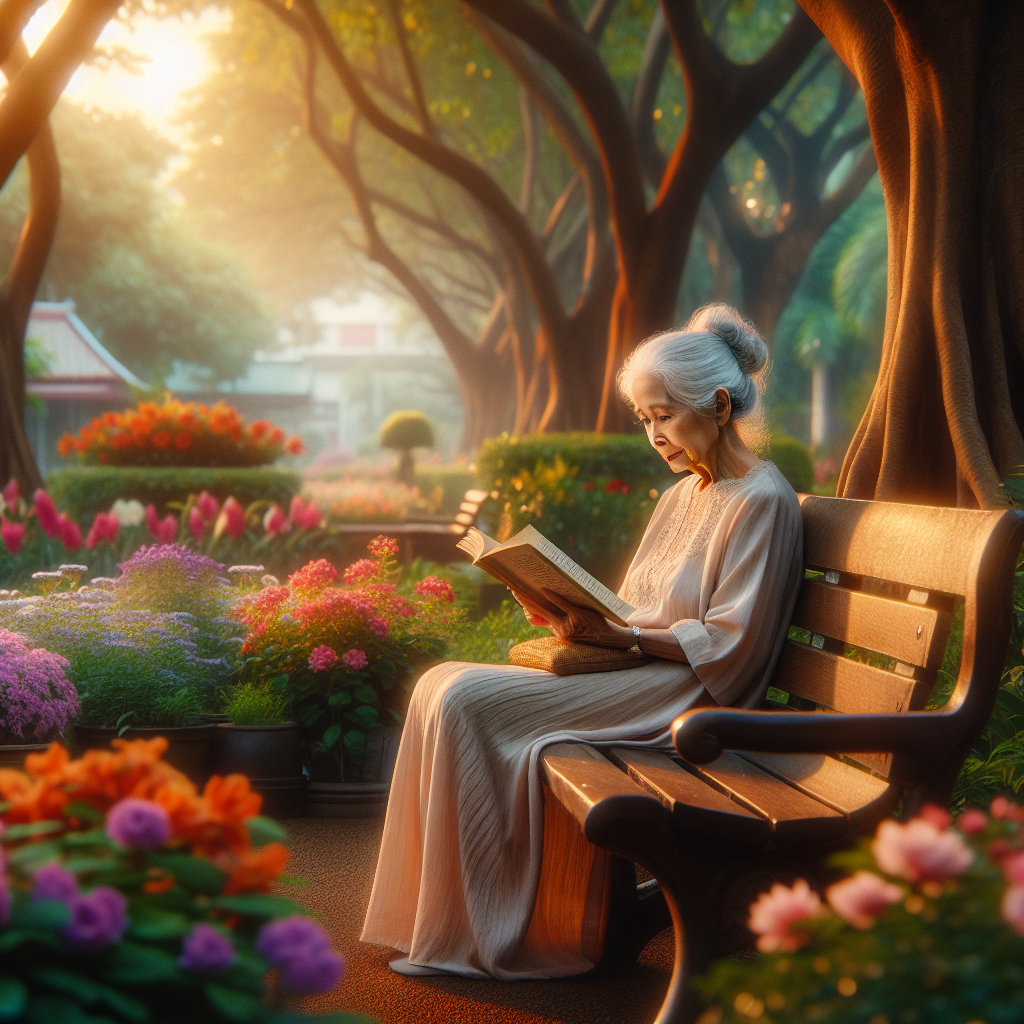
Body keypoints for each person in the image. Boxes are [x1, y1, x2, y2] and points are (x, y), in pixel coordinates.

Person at [361, 303, 804, 980]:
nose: (655, 435)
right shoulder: (681, 495)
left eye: (666, 415)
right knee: (438, 682)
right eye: (646, 420)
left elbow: (730, 644)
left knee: (465, 700)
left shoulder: (760, 500)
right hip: (634, 669)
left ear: (718, 405)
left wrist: (620, 632)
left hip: (685, 697)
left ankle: (482, 935)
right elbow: (639, 611)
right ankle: (435, 924)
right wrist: (568, 610)